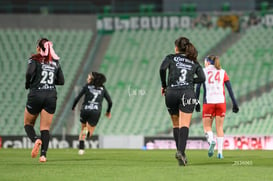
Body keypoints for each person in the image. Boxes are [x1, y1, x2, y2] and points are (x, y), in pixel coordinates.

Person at [159, 37, 205, 166]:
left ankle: (180, 152)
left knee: (175, 124)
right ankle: (181, 151)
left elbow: (162, 69)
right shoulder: (193, 62)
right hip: (187, 93)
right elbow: (202, 78)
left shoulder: (171, 57)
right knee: (184, 124)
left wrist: (164, 85)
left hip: (171, 93)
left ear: (176, 48)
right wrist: (190, 81)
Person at [24, 38, 65, 162]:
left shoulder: (34, 59)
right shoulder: (55, 62)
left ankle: (36, 140)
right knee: (45, 128)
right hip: (51, 96)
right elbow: (62, 81)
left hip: (36, 94)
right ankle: (43, 155)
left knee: (28, 124)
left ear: (38, 48)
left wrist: (27, 83)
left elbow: (29, 73)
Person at [195, 55, 239, 159]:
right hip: (221, 102)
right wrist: (235, 103)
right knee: (219, 127)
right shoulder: (223, 72)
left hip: (209, 102)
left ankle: (211, 141)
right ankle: (220, 153)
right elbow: (230, 89)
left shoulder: (203, 71)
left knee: (207, 127)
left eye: (205, 61)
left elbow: (197, 89)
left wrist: (196, 103)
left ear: (208, 62)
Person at [72, 72, 112, 155]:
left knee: (83, 129)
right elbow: (110, 102)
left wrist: (73, 106)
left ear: (92, 79)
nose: (87, 79)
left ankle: (81, 148)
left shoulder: (87, 86)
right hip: (95, 111)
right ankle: (85, 135)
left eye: (88, 77)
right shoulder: (102, 88)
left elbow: (77, 98)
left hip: (85, 109)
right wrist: (108, 112)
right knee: (89, 133)